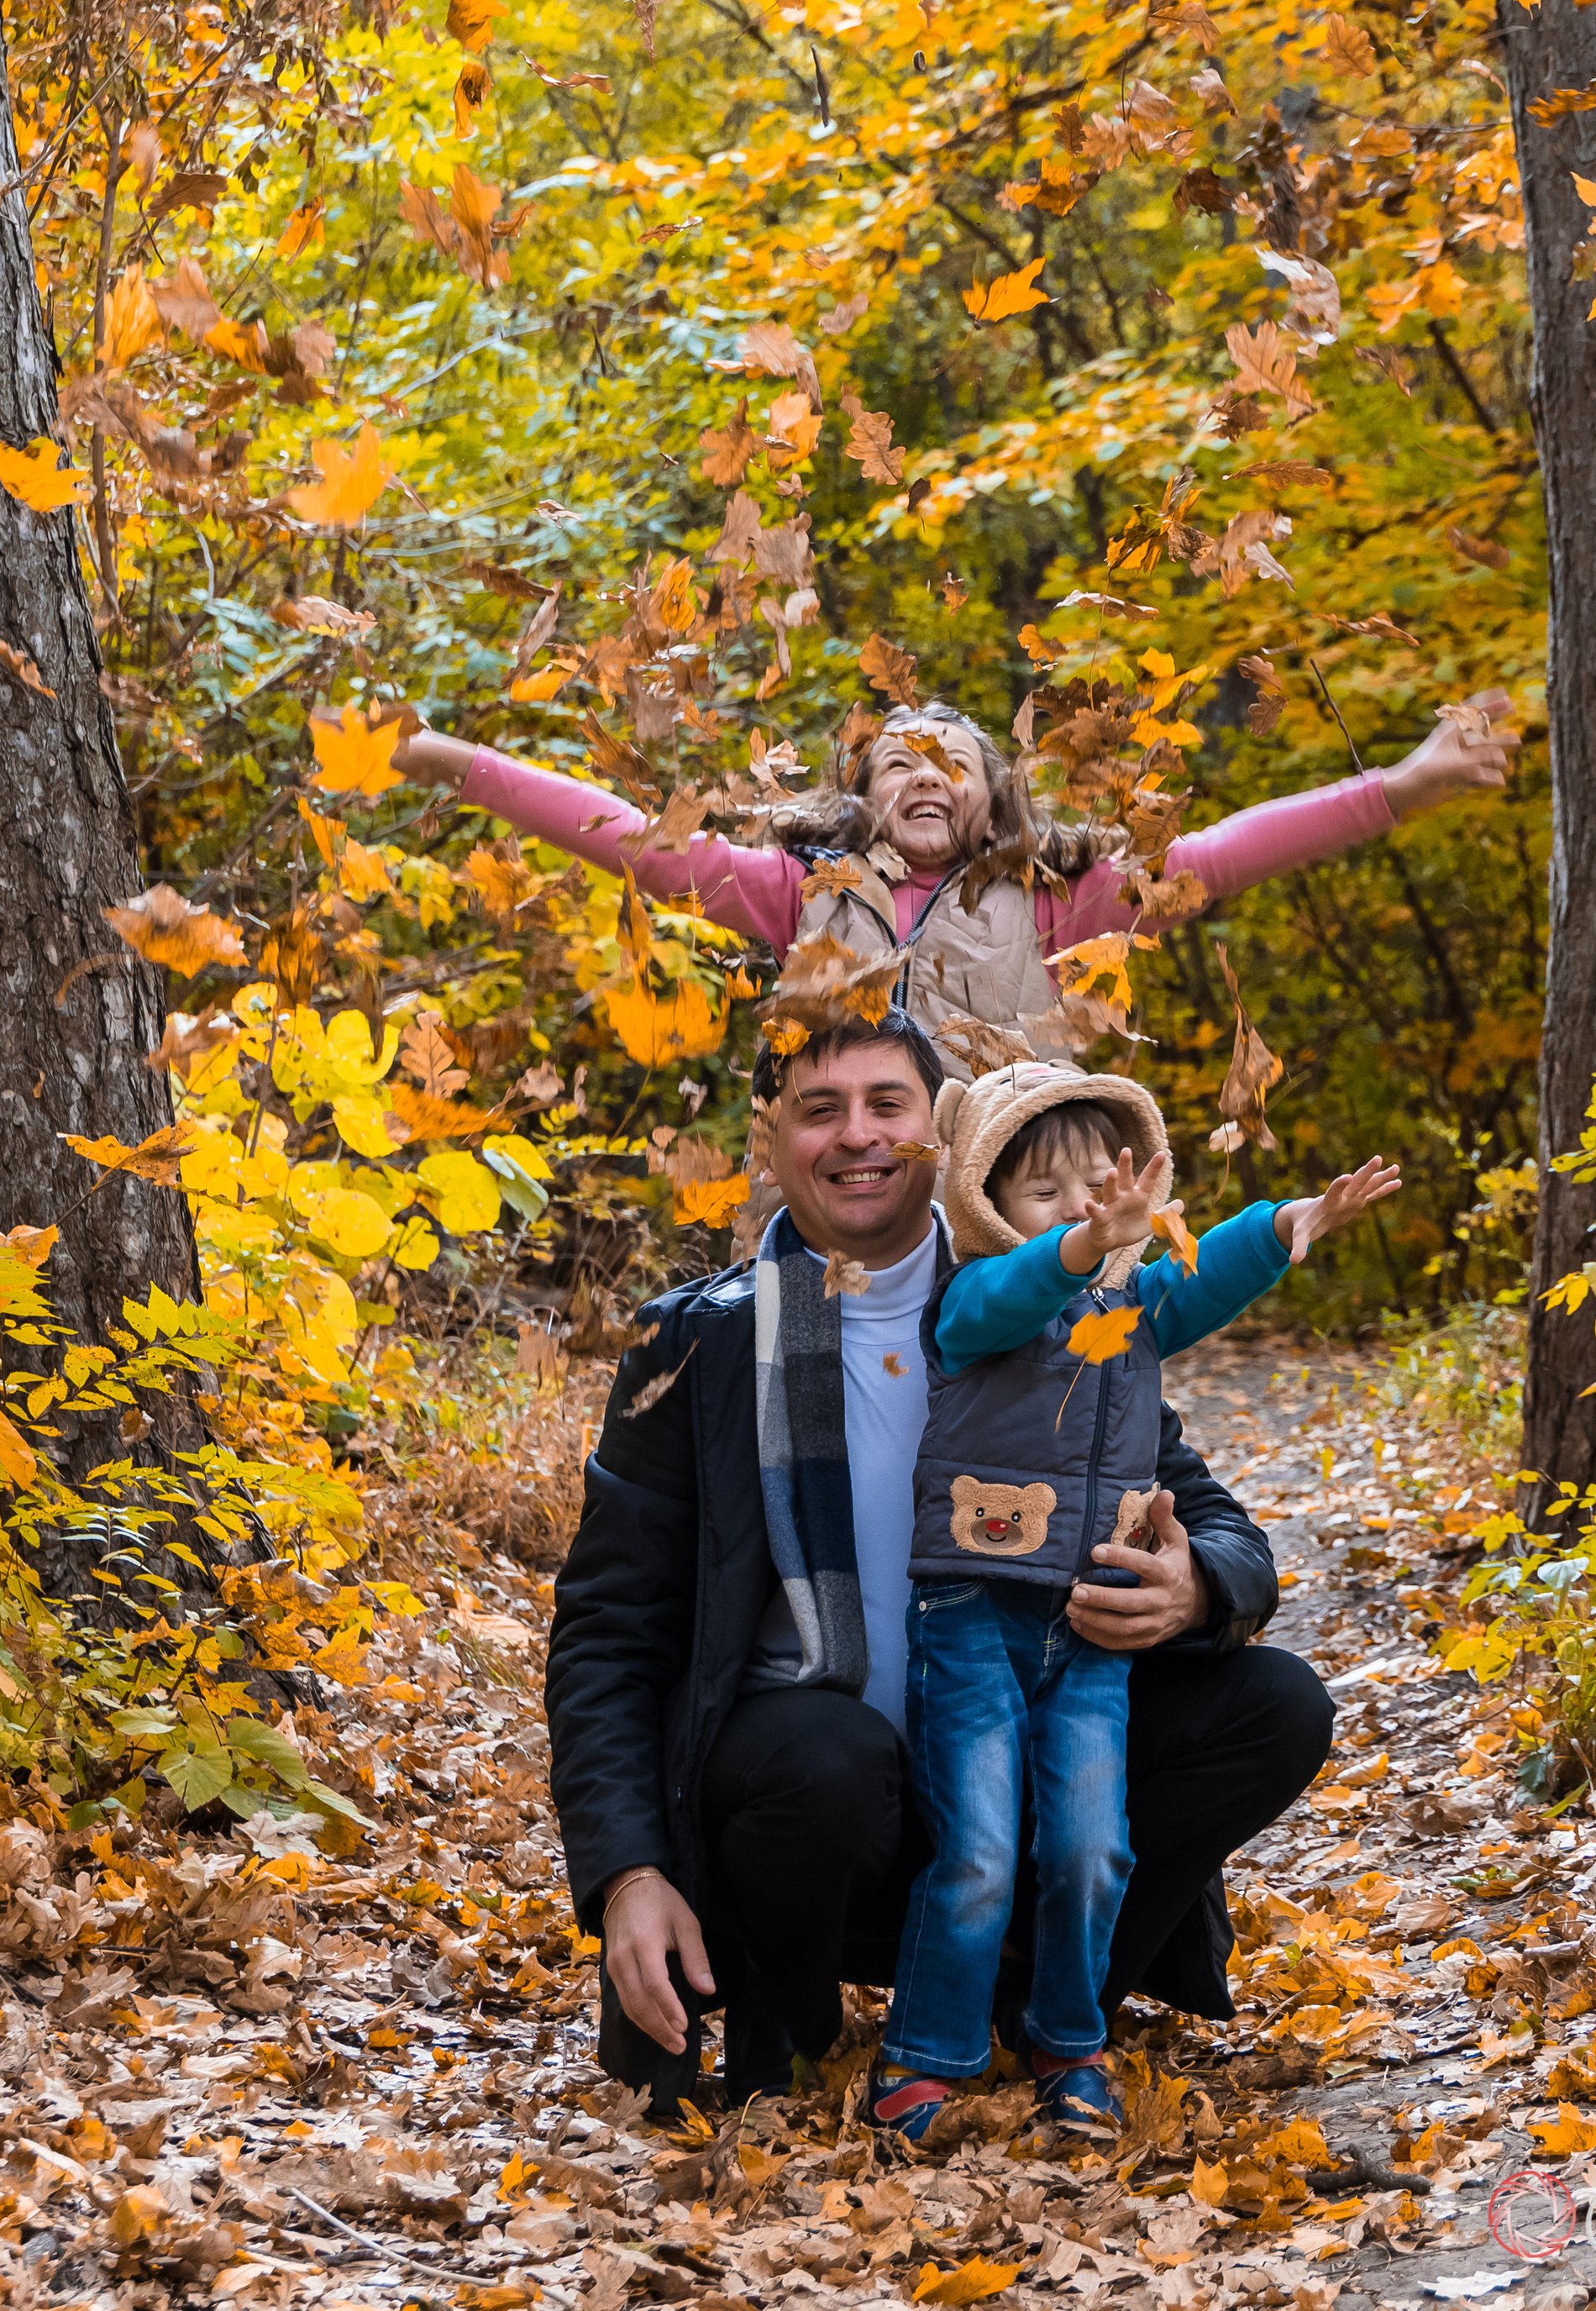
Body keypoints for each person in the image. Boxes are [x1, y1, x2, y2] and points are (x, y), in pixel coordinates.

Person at [543, 1011, 1336, 2114]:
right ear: (771, 1139)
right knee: (827, 1752)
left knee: (1278, 1704)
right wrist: (626, 1875)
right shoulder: (699, 1345)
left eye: (888, 1106)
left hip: (1028, 1754)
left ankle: (1050, 1999)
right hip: (822, 1815)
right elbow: (605, 1635)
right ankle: (796, 2027)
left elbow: (1220, 1523)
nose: (857, 1136)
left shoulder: (1054, 1307)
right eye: (820, 1110)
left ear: (940, 1139)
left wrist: (1199, 1584)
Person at [873, 1059, 1399, 2143]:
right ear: (986, 1203)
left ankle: (1067, 2038)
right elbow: (1017, 1293)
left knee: (1088, 1845)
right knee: (976, 1845)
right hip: (973, 1612)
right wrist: (1077, 1244)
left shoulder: (1119, 1323)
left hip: (1090, 1626)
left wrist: (1292, 1221)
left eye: (1101, 1190)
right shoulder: (974, 1304)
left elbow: (1194, 1286)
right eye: (1049, 1193)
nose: (1085, 1210)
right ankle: (924, 2053)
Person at [396, 688, 1516, 1074]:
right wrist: (462, 765)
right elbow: (640, 843)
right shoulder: (800, 891)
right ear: (863, 798)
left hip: (1019, 1204)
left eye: (949, 762)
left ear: (993, 795)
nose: (922, 775)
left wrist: (1405, 787)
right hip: (852, 1203)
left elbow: (1220, 856)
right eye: (896, 762)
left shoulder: (1065, 896)